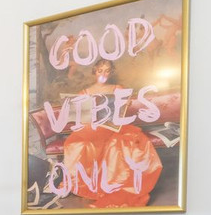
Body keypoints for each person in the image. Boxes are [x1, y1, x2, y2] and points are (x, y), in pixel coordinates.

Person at [60, 60, 162, 207]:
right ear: (95, 71)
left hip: (114, 126)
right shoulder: (84, 92)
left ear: (111, 72)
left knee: (119, 143)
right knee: (77, 143)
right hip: (92, 128)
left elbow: (121, 114)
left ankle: (115, 184)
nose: (103, 74)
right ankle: (84, 182)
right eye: (100, 70)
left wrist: (125, 104)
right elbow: (80, 118)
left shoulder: (117, 88)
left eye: (107, 71)